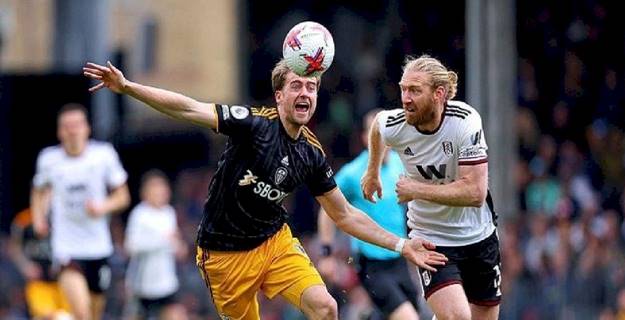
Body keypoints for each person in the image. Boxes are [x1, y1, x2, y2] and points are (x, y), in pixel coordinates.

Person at [82, 59, 447, 320]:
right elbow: (189, 108)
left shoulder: (311, 154)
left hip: (274, 244)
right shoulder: (252, 125)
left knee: (326, 308)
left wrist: (402, 245)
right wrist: (128, 87)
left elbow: (345, 215)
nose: (305, 93)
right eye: (296, 86)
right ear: (279, 96)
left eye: (312, 87)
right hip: (223, 257)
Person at [362, 54, 501, 320]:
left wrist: (416, 190)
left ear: (439, 94)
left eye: (414, 90)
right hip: (432, 239)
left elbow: (475, 193)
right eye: (403, 89)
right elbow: (378, 127)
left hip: (480, 236)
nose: (405, 98)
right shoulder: (397, 123)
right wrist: (372, 172)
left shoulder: (465, 121)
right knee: (458, 317)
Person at [317, 109, 420, 320]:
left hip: (400, 259)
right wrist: (327, 252)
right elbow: (327, 209)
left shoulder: (399, 165)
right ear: (366, 138)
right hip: (371, 263)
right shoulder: (352, 173)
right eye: (377, 134)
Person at [31, 103, 131, 320]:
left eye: (77, 125)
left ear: (87, 128)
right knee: (83, 314)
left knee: (93, 315)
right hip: (67, 249)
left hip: (98, 247)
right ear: (59, 132)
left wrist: (103, 206)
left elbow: (123, 196)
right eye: (67, 126)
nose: (72, 130)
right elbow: (38, 191)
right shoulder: (49, 159)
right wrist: (38, 218)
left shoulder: (103, 155)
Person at [124, 170, 188, 320]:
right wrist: (161, 240)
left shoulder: (169, 213)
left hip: (166, 282)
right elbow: (131, 246)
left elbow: (174, 241)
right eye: (154, 189)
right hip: (142, 285)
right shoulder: (140, 214)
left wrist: (179, 247)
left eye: (162, 189)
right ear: (145, 193)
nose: (159, 193)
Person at [8, 208, 72, 320]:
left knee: (68, 315)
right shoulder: (23, 219)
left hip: (63, 282)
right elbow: (14, 247)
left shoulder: (63, 216)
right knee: (45, 316)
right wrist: (26, 266)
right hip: (39, 283)